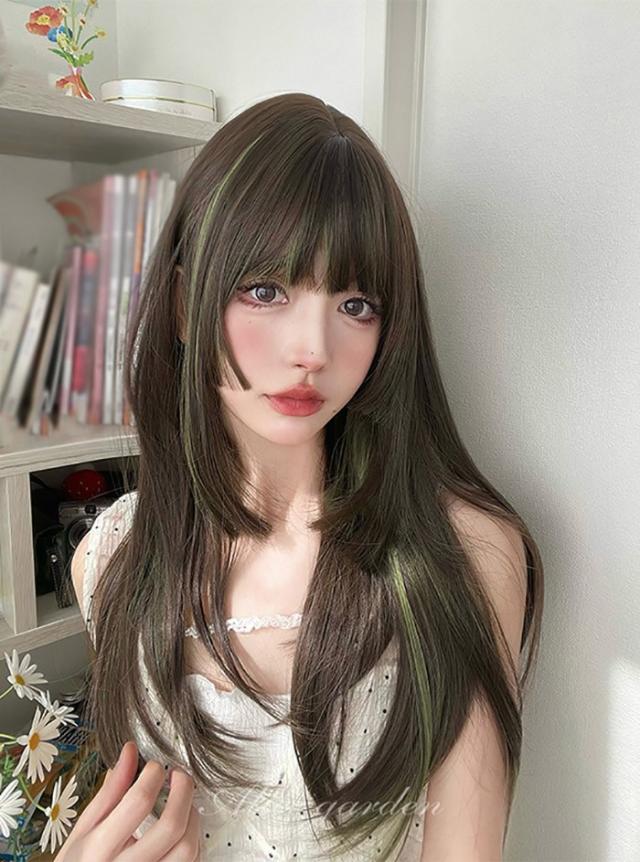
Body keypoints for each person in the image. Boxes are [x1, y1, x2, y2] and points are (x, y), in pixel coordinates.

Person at [60, 92, 543, 861]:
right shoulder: (111, 557)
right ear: (184, 305)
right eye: (266, 290)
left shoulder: (464, 553)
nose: (313, 349)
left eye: (356, 304)